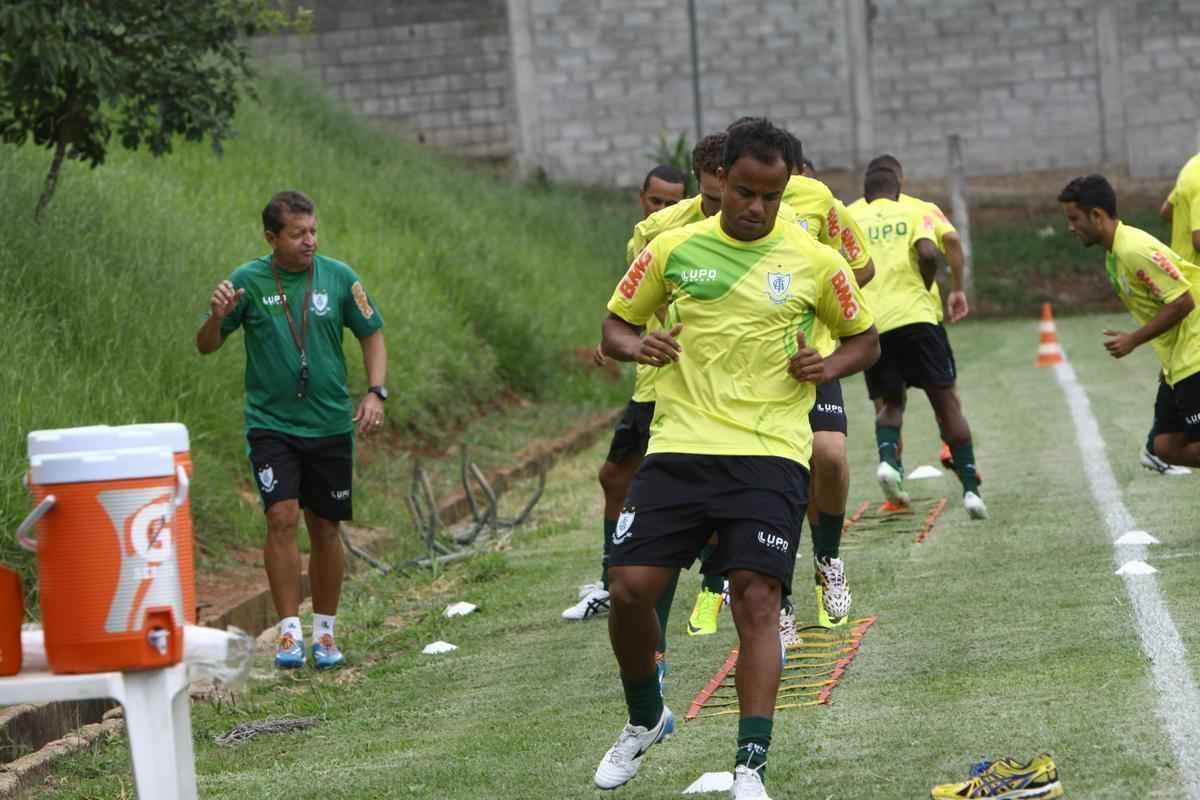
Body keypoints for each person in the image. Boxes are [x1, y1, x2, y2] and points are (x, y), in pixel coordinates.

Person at [593, 118, 879, 799]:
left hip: (769, 453)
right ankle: (646, 719)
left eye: (771, 196)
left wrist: (827, 364)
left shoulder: (815, 260)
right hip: (681, 445)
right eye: (745, 192)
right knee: (628, 589)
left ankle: (751, 766)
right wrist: (637, 346)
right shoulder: (672, 249)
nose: (756, 207)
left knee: (756, 599)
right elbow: (614, 326)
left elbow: (865, 339)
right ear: (720, 181)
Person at [196, 190, 387, 670]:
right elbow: (206, 345)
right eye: (298, 233)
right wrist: (217, 318)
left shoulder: (339, 277)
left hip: (329, 423)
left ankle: (324, 632)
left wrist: (375, 392)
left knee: (325, 526)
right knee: (281, 517)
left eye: (313, 231)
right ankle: (288, 632)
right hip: (271, 425)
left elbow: (371, 334)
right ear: (271, 238)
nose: (310, 241)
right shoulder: (248, 281)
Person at [565, 141, 725, 693]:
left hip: (692, 387)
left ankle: (713, 580)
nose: (662, 209)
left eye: (672, 201)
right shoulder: (654, 236)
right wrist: (623, 340)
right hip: (653, 380)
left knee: (676, 493)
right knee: (616, 477)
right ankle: (616, 579)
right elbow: (632, 308)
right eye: (655, 201)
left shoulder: (736, 233)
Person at [776, 132, 877, 635]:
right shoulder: (710, 218)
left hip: (813, 356)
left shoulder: (817, 198)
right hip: (751, 372)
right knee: (775, 482)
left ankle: (828, 559)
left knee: (829, 456)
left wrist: (824, 298)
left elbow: (862, 266)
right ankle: (778, 601)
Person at [849, 168, 987, 519]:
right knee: (946, 402)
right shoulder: (914, 209)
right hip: (918, 319)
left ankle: (888, 463)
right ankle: (971, 490)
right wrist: (932, 287)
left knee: (890, 403)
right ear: (899, 184)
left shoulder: (850, 216)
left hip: (874, 324)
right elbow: (931, 251)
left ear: (866, 190)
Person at [1060, 174, 1200, 467]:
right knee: (1164, 445)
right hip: (1179, 357)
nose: (1070, 228)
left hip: (1196, 350)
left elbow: (1183, 302)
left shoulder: (1133, 250)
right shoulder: (1114, 256)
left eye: (1074, 219)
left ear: (1097, 215)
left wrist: (1133, 340)